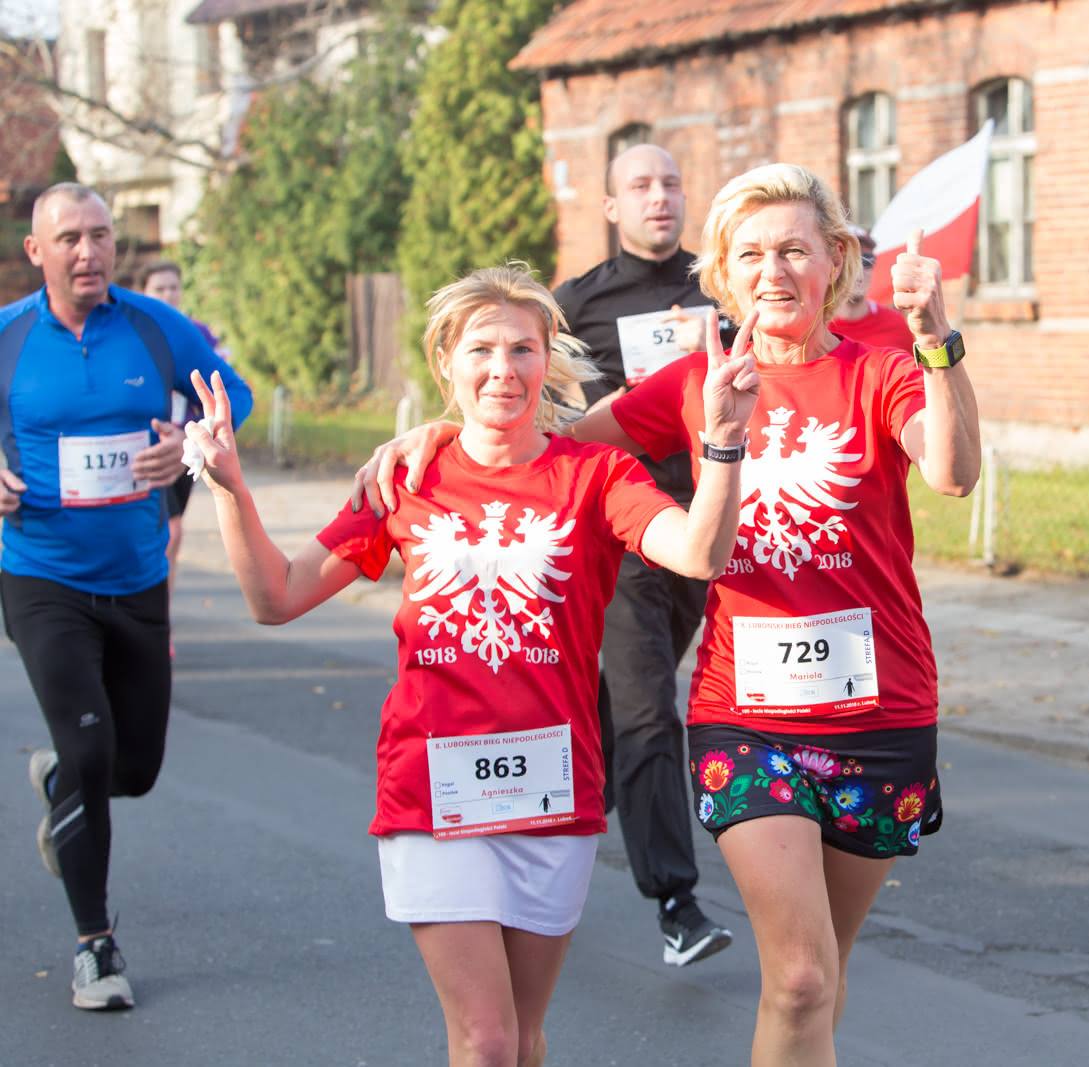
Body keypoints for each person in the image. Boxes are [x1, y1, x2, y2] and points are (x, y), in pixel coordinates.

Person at [354, 163, 982, 1065]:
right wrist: (441, 435)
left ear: (835, 259)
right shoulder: (694, 385)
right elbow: (540, 444)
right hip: (748, 716)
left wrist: (938, 344)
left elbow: (953, 472)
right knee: (801, 976)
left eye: (795, 251)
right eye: (752, 254)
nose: (774, 272)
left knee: (819, 981)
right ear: (723, 270)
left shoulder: (880, 374)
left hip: (882, 713)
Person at [187, 264, 759, 1066]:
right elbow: (278, 596)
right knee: (486, 1040)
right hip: (432, 787)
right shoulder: (406, 478)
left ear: (547, 360)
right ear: (446, 363)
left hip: (553, 792)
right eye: (482, 349)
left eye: (523, 349)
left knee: (523, 1038)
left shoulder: (597, 476)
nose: (503, 369)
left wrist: (723, 442)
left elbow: (698, 552)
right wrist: (228, 488)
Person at [0, 182, 252, 1010]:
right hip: (40, 575)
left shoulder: (154, 326)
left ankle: (64, 781)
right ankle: (95, 947)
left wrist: (191, 439)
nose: (88, 251)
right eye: (69, 237)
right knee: (88, 748)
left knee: (132, 768)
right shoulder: (8, 338)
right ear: (36, 252)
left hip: (139, 576)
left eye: (101, 235)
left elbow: (233, 396)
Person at [539, 142, 739, 965]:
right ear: (613, 208)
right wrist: (601, 407)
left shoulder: (722, 288)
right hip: (618, 531)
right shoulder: (572, 305)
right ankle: (677, 902)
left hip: (702, 527)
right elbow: (540, 418)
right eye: (641, 186)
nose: (661, 197)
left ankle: (546, 815)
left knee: (607, 709)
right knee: (651, 706)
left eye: (671, 183)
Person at [137, 258, 229, 652]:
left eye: (173, 287)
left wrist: (196, 426)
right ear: (143, 293)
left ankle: (161, 620)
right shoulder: (133, 334)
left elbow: (220, 386)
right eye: (159, 289)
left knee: (171, 536)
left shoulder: (198, 335)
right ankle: (142, 618)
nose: (168, 295)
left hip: (183, 449)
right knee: (163, 534)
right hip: (140, 449)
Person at [826, 227, 915, 351]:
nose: (859, 270)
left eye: (866, 261)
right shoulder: (814, 329)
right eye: (849, 260)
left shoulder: (895, 324)